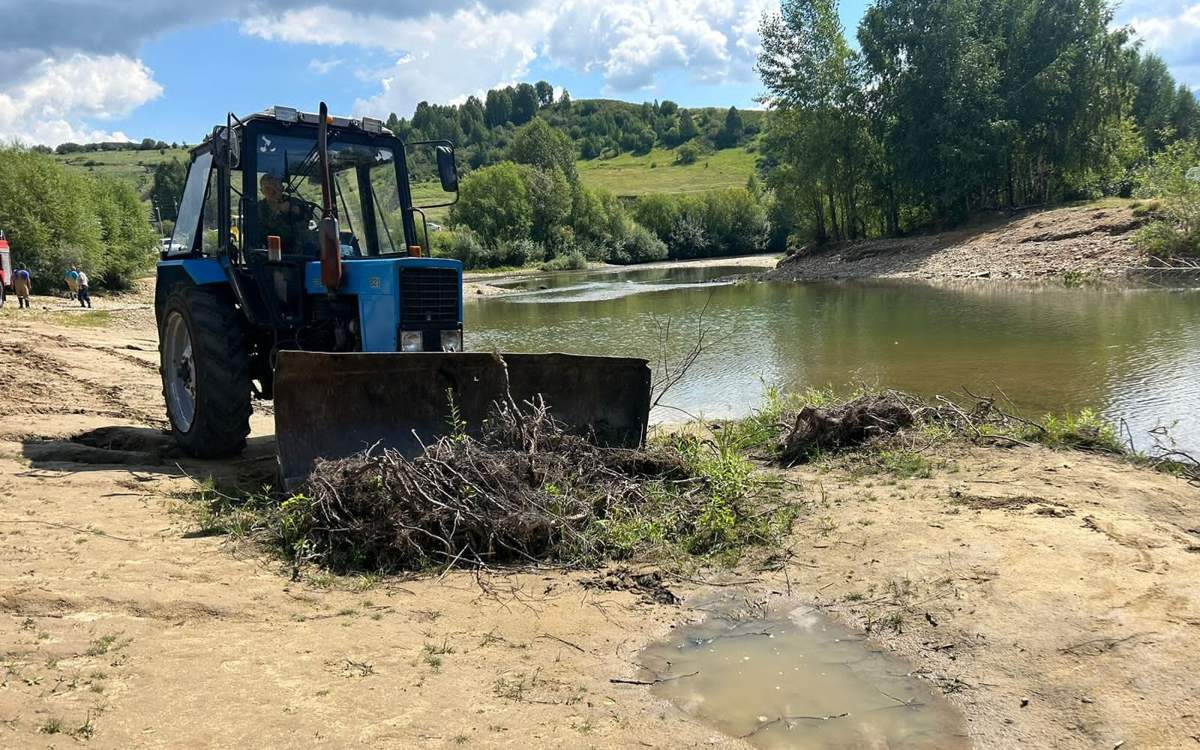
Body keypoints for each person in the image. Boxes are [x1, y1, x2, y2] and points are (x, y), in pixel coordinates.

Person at [258, 173, 315, 254]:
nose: (272, 191)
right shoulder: (259, 208)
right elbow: (265, 227)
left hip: (297, 250)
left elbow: (308, 216)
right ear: (262, 191)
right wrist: (279, 211)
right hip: (270, 252)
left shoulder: (294, 202)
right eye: (267, 188)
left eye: (275, 186)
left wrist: (297, 211)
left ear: (282, 188)